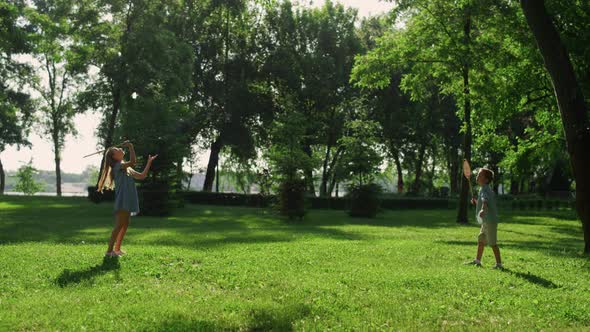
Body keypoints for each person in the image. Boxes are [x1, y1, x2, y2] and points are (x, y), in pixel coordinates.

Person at [96, 141, 158, 257]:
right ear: (114, 157)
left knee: (125, 224)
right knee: (119, 224)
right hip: (123, 199)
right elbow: (133, 161)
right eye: (117, 150)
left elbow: (142, 176)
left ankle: (117, 249)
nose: (120, 149)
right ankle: (109, 251)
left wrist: (149, 162)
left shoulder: (125, 167)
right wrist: (131, 147)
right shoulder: (117, 166)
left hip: (128, 198)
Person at [465, 168, 503, 269]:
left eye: (480, 175)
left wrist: (482, 209)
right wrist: (477, 202)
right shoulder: (483, 188)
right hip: (486, 221)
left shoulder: (485, 189)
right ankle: (477, 261)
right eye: (477, 174)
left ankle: (499, 264)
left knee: (493, 243)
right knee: (481, 240)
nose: (477, 176)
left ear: (486, 180)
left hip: (490, 221)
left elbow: (485, 200)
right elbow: (483, 201)